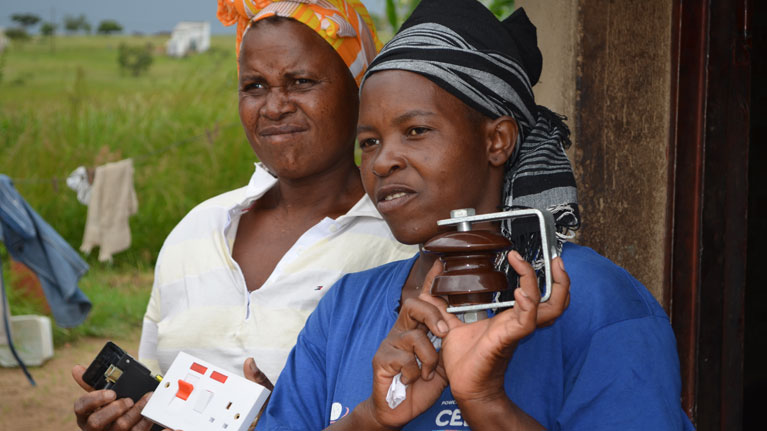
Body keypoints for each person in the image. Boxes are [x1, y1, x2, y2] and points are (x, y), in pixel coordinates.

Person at [256, 1, 696, 429]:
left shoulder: (596, 304)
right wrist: (371, 417)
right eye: (369, 141)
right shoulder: (345, 309)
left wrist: (486, 403)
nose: (383, 161)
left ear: (497, 141)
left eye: (416, 131)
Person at [70, 1, 416, 430]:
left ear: (359, 88)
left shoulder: (401, 244)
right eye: (254, 86)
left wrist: (286, 419)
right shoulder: (196, 230)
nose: (273, 107)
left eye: (301, 81)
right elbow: (159, 396)